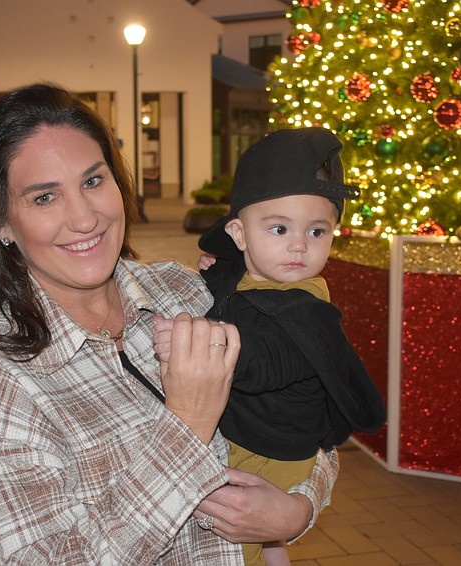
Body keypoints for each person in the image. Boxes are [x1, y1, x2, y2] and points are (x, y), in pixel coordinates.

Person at [0, 84, 339, 565]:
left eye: (93, 182)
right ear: (1, 223)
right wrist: (188, 425)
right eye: (44, 198)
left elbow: (311, 410)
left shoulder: (185, 292)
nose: (84, 218)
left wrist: (295, 511)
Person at [155, 128, 386, 566]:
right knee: (264, 534)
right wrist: (216, 267)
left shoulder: (307, 307)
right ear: (240, 236)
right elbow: (232, 292)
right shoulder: (256, 271)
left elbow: (268, 360)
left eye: (317, 231)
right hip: (250, 428)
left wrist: (203, 344)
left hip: (276, 447)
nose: (299, 245)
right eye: (279, 228)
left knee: (234, 535)